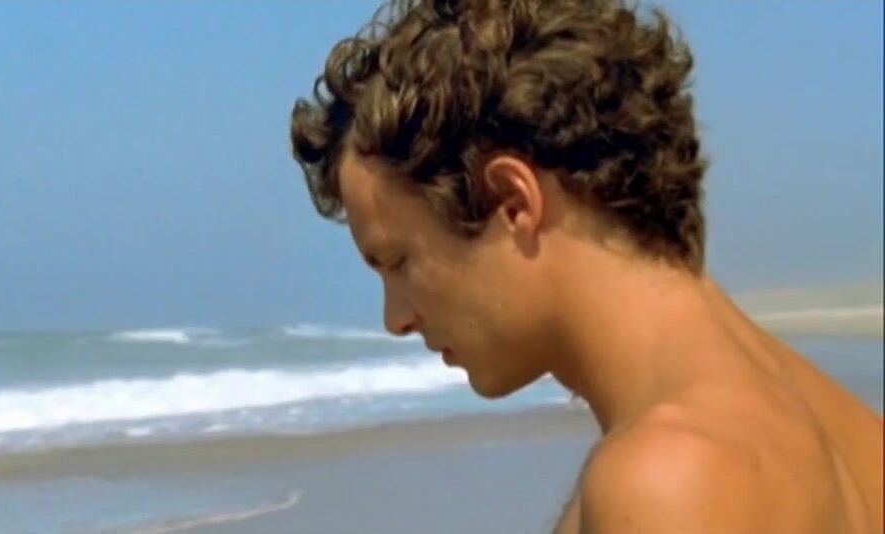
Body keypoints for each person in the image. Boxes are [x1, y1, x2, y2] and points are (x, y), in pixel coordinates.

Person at [288, 0, 884, 532]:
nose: (396, 318)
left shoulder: (668, 479)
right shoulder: (847, 432)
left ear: (513, 203)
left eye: (397, 261)